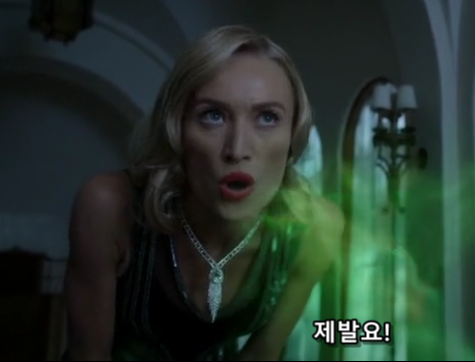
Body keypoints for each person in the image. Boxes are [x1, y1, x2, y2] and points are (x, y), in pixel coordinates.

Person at [62, 25, 345, 361]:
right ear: (178, 129)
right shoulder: (108, 207)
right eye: (213, 116)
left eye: (268, 118)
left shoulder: (316, 229)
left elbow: (262, 355)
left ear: (293, 135)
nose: (237, 149)